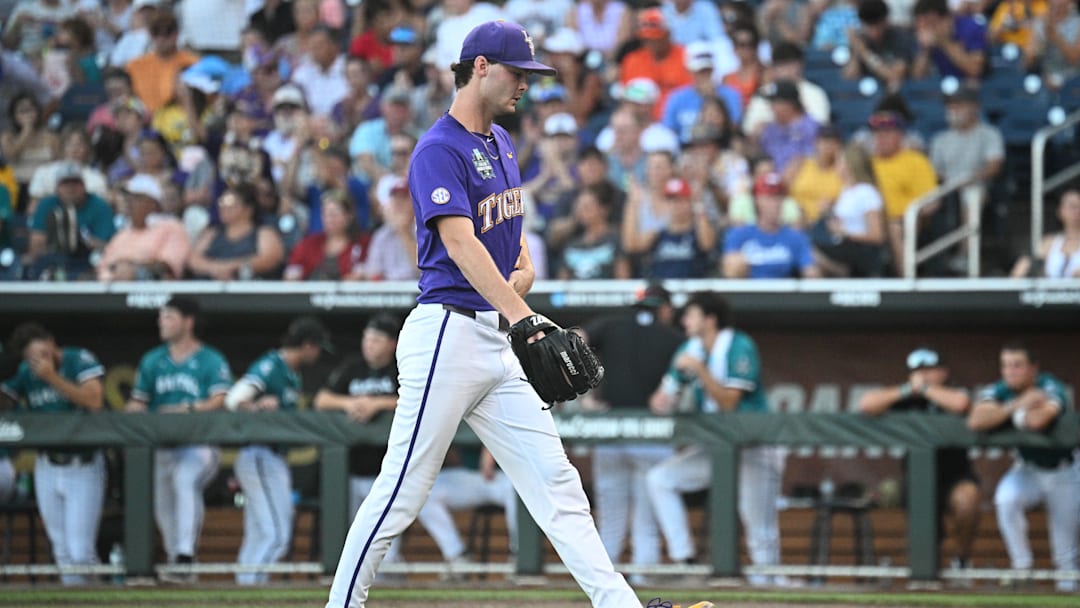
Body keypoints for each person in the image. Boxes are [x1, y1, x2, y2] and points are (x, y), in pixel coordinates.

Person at [325, 20, 646, 608]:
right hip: (446, 332)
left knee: (557, 482)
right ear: (479, 67)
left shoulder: (502, 145)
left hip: (497, 340)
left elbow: (517, 254)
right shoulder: (437, 149)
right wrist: (526, 315)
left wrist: (516, 301)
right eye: (517, 73)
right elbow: (462, 246)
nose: (525, 84)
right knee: (402, 492)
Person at [646, 291, 787, 587]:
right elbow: (664, 396)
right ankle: (686, 560)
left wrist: (700, 369)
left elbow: (729, 404)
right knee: (660, 479)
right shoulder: (690, 347)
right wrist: (664, 398)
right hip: (716, 448)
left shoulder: (739, 345)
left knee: (757, 524)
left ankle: (771, 587)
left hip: (755, 445)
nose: (684, 320)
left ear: (710, 320)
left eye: (691, 315)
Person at [580, 282, 684, 584]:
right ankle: (642, 575)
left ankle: (602, 581)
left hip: (611, 428)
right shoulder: (674, 336)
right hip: (652, 431)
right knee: (646, 518)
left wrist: (588, 391)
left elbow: (576, 338)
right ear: (664, 309)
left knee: (610, 516)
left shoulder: (612, 325)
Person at [125, 296, 233, 580]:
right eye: (161, 317)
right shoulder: (153, 360)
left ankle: (185, 555)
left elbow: (221, 399)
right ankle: (177, 560)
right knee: (162, 501)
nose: (162, 322)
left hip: (198, 446)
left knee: (184, 479)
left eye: (169, 316)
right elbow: (139, 402)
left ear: (189, 321)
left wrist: (186, 408)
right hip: (162, 446)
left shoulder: (210, 358)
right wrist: (130, 413)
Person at [225, 316, 332, 585]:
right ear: (307, 345)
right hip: (259, 453)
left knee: (260, 532)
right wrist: (256, 406)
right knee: (276, 535)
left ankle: (242, 590)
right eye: (317, 347)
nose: (318, 354)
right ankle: (249, 593)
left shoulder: (290, 371)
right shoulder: (271, 364)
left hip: (272, 457)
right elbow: (234, 399)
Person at [0, 322, 106, 586]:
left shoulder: (77, 358)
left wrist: (51, 377)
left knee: (80, 551)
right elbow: (6, 400)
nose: (39, 361)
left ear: (51, 341)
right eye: (32, 357)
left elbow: (94, 401)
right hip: (47, 465)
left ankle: (97, 601)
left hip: (83, 463)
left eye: (41, 352)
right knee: (61, 549)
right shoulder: (27, 371)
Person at [968, 342, 1079, 591]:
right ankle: (1022, 567)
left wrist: (1007, 417)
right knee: (1006, 498)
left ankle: (1067, 591)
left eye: (1017, 366)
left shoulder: (1050, 385)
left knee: (1066, 557)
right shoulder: (1001, 390)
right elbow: (976, 420)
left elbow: (1039, 420)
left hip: (1063, 471)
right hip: (1027, 468)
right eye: (1006, 365)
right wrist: (1017, 407)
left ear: (1033, 368)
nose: (1010, 372)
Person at [857, 347, 979, 572]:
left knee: (968, 499)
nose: (923, 374)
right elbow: (866, 404)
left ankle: (961, 561)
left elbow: (962, 404)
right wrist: (908, 390)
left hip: (955, 474)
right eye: (918, 370)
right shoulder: (906, 397)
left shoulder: (953, 390)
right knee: (928, 538)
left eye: (929, 369)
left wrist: (925, 388)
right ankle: (930, 573)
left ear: (943, 371)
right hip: (919, 479)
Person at [723, 171, 820, 278]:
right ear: (757, 200)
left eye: (779, 197)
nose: (775, 203)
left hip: (784, 292)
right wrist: (738, 267)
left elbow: (811, 272)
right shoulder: (739, 234)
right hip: (750, 291)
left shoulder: (796, 237)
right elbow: (730, 271)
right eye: (769, 197)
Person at [811, 143, 888, 277]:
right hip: (844, 245)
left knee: (808, 249)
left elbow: (877, 235)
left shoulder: (866, 192)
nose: (836, 165)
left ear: (850, 165)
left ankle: (843, 272)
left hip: (861, 250)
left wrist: (845, 232)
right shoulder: (845, 190)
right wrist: (828, 211)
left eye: (840, 161)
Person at [97, 173, 190, 281]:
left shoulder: (171, 227)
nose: (129, 202)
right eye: (128, 198)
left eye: (136, 198)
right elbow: (103, 267)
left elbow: (167, 268)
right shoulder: (121, 235)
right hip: (111, 291)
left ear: (153, 204)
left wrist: (133, 268)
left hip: (152, 292)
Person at [1010, 188, 1080, 278]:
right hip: (1049, 291)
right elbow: (1019, 272)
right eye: (1073, 207)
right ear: (1060, 211)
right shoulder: (1049, 242)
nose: (1078, 212)